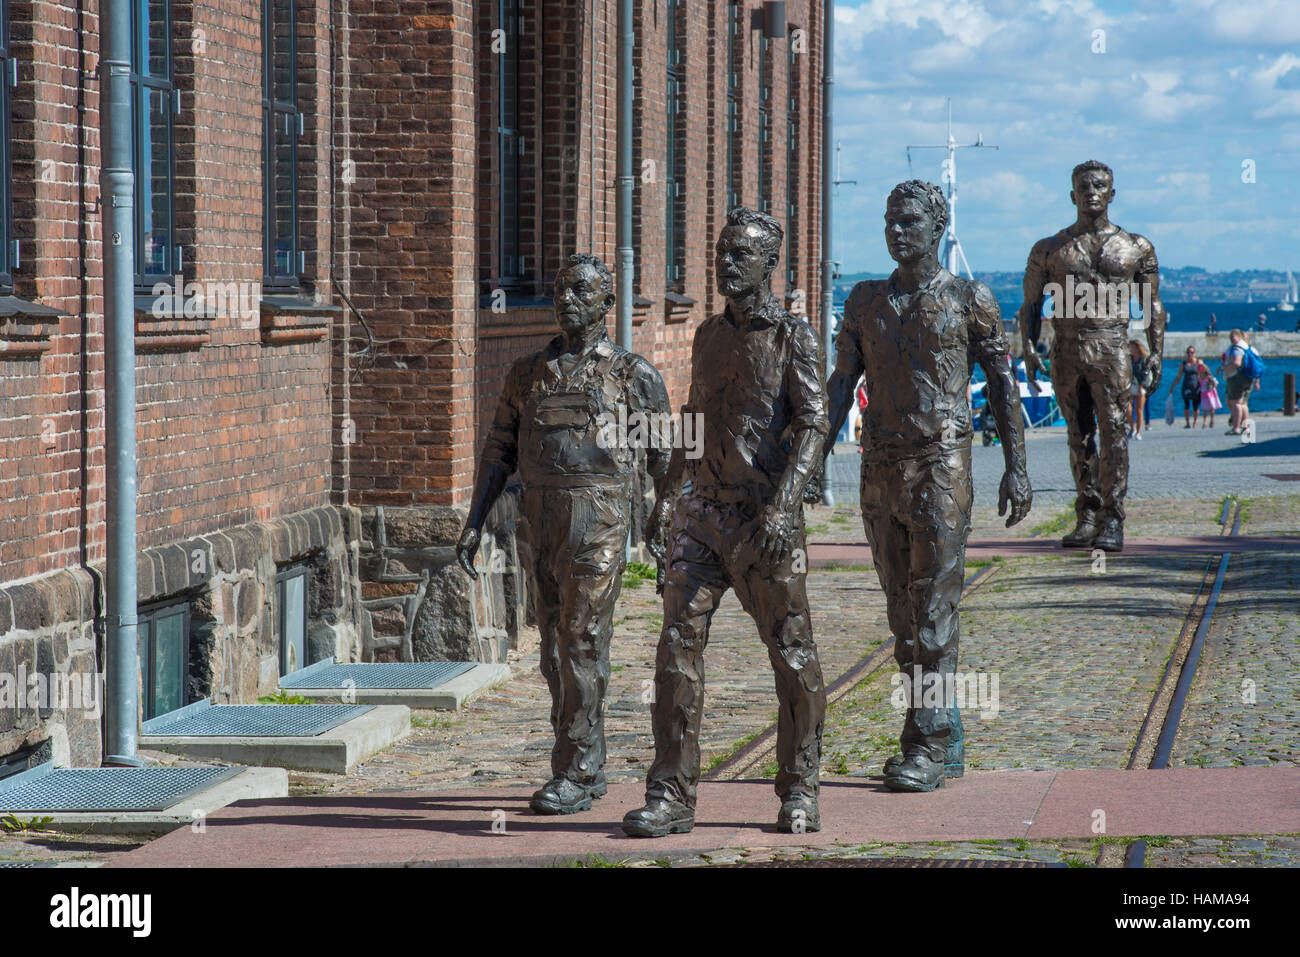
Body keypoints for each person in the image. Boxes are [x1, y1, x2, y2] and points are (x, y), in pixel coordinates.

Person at [622, 207, 829, 837]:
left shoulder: (795, 337)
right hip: (703, 518)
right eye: (721, 251)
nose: (727, 262)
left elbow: (816, 423)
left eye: (741, 253)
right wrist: (666, 500)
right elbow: (691, 419)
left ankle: (800, 788)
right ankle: (672, 795)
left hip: (767, 522)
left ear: (769, 264)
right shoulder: (707, 334)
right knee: (676, 650)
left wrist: (788, 500)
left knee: (792, 658)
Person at [823, 181, 1032, 793]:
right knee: (904, 615)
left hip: (943, 464)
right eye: (890, 220)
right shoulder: (864, 301)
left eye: (909, 220)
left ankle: (926, 743)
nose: (897, 230)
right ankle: (946, 736)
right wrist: (811, 460)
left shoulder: (970, 299)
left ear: (937, 225)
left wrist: (1017, 468)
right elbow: (840, 385)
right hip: (880, 467)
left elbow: (1002, 388)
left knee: (935, 611)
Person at [456, 254, 673, 815]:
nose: (567, 299)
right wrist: (475, 520)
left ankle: (575, 769)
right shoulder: (527, 374)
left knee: (580, 639)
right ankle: (587, 758)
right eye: (560, 289)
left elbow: (667, 459)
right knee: (555, 652)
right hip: (540, 520)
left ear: (607, 303)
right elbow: (498, 450)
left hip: (599, 519)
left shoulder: (633, 375)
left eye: (581, 290)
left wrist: (662, 519)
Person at [1018, 160, 1165, 552]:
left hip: (1112, 345)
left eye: (1099, 186)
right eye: (1084, 187)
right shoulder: (1049, 249)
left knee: (1115, 432)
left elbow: (1152, 305)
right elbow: (1030, 305)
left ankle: (1112, 519)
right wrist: (1029, 349)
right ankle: (1087, 513)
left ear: (1112, 194)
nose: (1092, 192)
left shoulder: (1136, 247)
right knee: (1078, 436)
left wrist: (1155, 353)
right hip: (1067, 348)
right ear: (1073, 195)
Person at [1221, 329, 1262, 435]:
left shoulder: (1237, 349)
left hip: (1238, 377)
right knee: (1243, 403)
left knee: (1237, 403)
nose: (1231, 339)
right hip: (1248, 378)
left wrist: (1223, 368)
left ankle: (1236, 427)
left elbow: (1236, 364)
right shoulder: (1248, 348)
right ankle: (1245, 427)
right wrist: (1257, 381)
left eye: (1232, 337)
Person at [1168, 345, 1200, 428]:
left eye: (1192, 352)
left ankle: (1195, 422)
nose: (1190, 354)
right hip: (1186, 386)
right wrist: (1172, 387)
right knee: (1186, 404)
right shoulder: (1184, 364)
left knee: (1195, 405)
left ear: (1195, 353)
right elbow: (1178, 376)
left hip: (1196, 387)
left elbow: (1204, 373)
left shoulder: (1198, 363)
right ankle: (1187, 422)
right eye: (1188, 352)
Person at [1128, 340, 1151, 440]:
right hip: (1131, 385)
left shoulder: (1143, 359)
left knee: (1139, 409)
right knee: (1127, 408)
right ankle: (1132, 428)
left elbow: (1145, 373)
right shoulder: (1129, 359)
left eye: (1132, 347)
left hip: (1141, 385)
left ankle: (1138, 432)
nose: (1130, 349)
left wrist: (1141, 386)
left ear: (1137, 348)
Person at [1197, 362, 1221, 429]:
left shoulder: (1209, 377)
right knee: (1204, 409)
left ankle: (1212, 420)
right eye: (1199, 368)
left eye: (1201, 368)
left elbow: (1215, 383)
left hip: (1210, 394)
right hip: (1203, 394)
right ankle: (1204, 422)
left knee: (1211, 409)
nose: (1200, 369)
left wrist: (1211, 386)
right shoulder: (1199, 377)